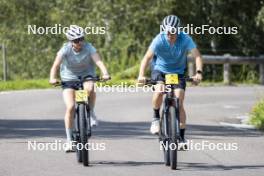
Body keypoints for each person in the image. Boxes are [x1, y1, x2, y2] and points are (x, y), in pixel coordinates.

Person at [137, 15, 203, 145]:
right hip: (160, 70)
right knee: (160, 89)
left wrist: (198, 73)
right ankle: (156, 117)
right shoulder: (159, 39)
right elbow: (146, 58)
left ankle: (182, 138)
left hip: (177, 72)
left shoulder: (185, 39)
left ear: (178, 31)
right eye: (167, 31)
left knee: (179, 99)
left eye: (173, 32)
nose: (169, 35)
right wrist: (141, 75)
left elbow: (197, 56)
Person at [49, 25, 110, 152]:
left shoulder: (89, 47)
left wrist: (105, 73)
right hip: (68, 79)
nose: (80, 42)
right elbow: (55, 65)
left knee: (90, 87)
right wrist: (53, 78)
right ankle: (69, 141)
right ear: (71, 41)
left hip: (86, 75)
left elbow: (98, 62)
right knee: (70, 107)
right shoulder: (64, 50)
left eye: (81, 38)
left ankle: (91, 112)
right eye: (76, 40)